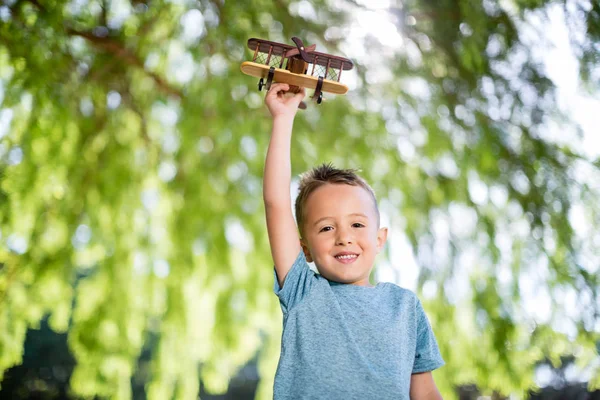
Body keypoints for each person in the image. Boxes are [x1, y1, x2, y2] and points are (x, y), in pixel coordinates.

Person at [263, 83, 445, 400]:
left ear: (379, 239)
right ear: (304, 246)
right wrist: (283, 118)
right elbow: (277, 203)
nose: (344, 237)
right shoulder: (302, 291)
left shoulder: (405, 308)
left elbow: (426, 393)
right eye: (326, 228)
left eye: (357, 224)